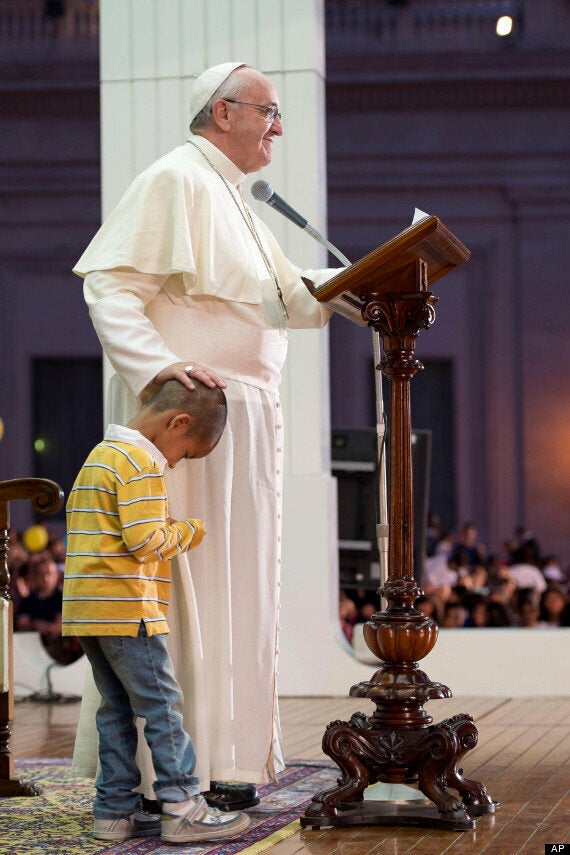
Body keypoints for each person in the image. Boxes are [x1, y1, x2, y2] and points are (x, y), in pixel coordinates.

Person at [71, 62, 336, 809]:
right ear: (224, 112)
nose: (278, 127)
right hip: (186, 420)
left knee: (235, 591)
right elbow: (109, 284)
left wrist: (364, 284)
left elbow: (291, 297)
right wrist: (163, 372)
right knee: (183, 591)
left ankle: (226, 757)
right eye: (269, 112)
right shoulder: (176, 178)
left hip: (243, 418)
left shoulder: (240, 200)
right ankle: (166, 776)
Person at [63, 379, 250, 844]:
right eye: (183, 453)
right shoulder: (141, 462)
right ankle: (183, 805)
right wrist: (189, 530)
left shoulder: (99, 456)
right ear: (177, 422)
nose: (173, 462)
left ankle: (113, 811)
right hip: (130, 610)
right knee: (163, 706)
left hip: (89, 612)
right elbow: (147, 540)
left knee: (115, 710)